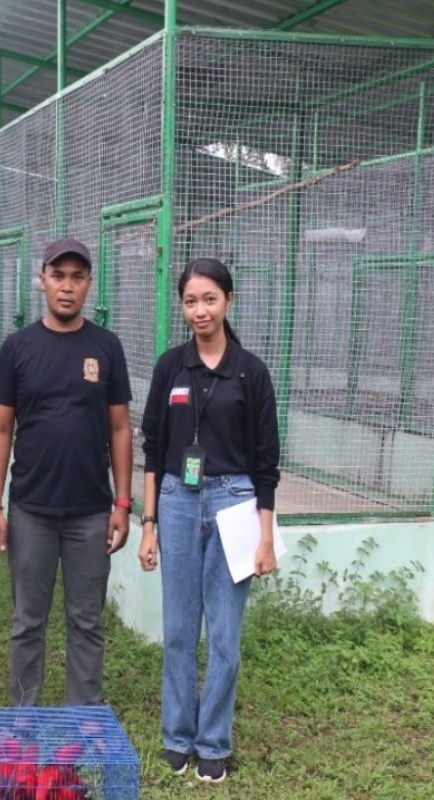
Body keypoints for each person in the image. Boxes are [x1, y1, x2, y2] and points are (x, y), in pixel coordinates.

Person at [137, 258, 279, 783]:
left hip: (235, 502)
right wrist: (148, 524)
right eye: (191, 301)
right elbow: (152, 450)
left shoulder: (251, 372)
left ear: (229, 301)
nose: (200, 310)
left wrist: (264, 537)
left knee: (223, 634)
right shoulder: (170, 367)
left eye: (210, 299)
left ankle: (213, 742)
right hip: (176, 499)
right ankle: (177, 735)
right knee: (177, 629)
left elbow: (267, 463)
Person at [0, 237, 133, 708]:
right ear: (42, 280)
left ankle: (82, 721)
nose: (67, 287)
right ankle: (25, 719)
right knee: (28, 622)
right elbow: (1, 428)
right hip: (31, 510)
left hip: (90, 511)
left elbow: (121, 428)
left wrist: (123, 503)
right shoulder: (18, 347)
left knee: (86, 621)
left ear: (89, 284)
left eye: (77, 277)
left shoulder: (106, 347)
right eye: (58, 276)